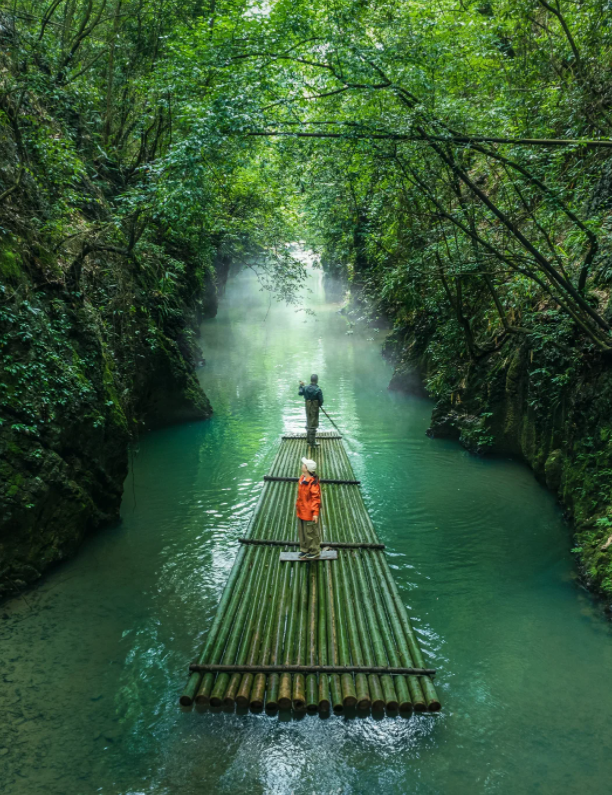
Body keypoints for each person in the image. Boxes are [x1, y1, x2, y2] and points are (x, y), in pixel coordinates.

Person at [296, 456, 321, 560]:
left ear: (306, 468)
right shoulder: (302, 478)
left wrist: (315, 513)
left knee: (311, 533)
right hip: (301, 510)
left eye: (303, 464)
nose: (302, 465)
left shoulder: (313, 483)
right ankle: (304, 549)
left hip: (309, 513)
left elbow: (316, 499)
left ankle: (314, 551)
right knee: (302, 532)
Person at [298, 374, 323, 448]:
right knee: (313, 423)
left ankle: (309, 440)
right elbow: (321, 401)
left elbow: (300, 393)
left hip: (308, 407)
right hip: (314, 408)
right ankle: (312, 443)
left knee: (309, 421)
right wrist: (319, 405)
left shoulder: (305, 388)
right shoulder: (318, 389)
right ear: (317, 380)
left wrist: (301, 386)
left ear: (311, 380)